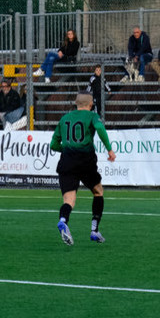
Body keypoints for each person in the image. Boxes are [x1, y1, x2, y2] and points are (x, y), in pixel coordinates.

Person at [50, 91, 116, 245]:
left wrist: (67, 150)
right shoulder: (92, 116)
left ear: (76, 103)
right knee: (98, 191)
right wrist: (109, 150)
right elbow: (100, 128)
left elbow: (53, 145)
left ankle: (63, 220)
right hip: (85, 160)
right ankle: (94, 231)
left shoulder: (64, 118)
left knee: (69, 200)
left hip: (66, 161)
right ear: (91, 103)